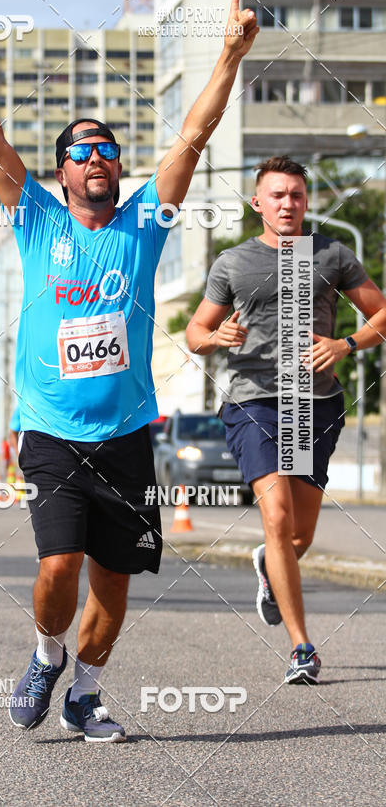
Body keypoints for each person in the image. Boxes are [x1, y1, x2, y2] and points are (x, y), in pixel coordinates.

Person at [0, 0, 258, 740]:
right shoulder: (37, 217)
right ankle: (47, 654)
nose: (99, 157)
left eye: (108, 148)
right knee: (59, 567)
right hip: (50, 429)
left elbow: (193, 139)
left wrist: (229, 55)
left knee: (115, 577)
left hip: (125, 435)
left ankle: (88, 690)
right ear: (62, 172)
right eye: (82, 150)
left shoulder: (143, 222)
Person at [186, 155, 386, 685]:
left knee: (297, 537)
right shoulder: (232, 263)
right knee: (275, 518)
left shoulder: (333, 254)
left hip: (313, 403)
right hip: (254, 401)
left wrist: (347, 344)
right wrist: (216, 339)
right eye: (277, 195)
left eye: (296, 195)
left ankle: (269, 568)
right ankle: (302, 647)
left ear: (306, 202)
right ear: (259, 204)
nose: (288, 203)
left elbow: (382, 316)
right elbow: (195, 333)